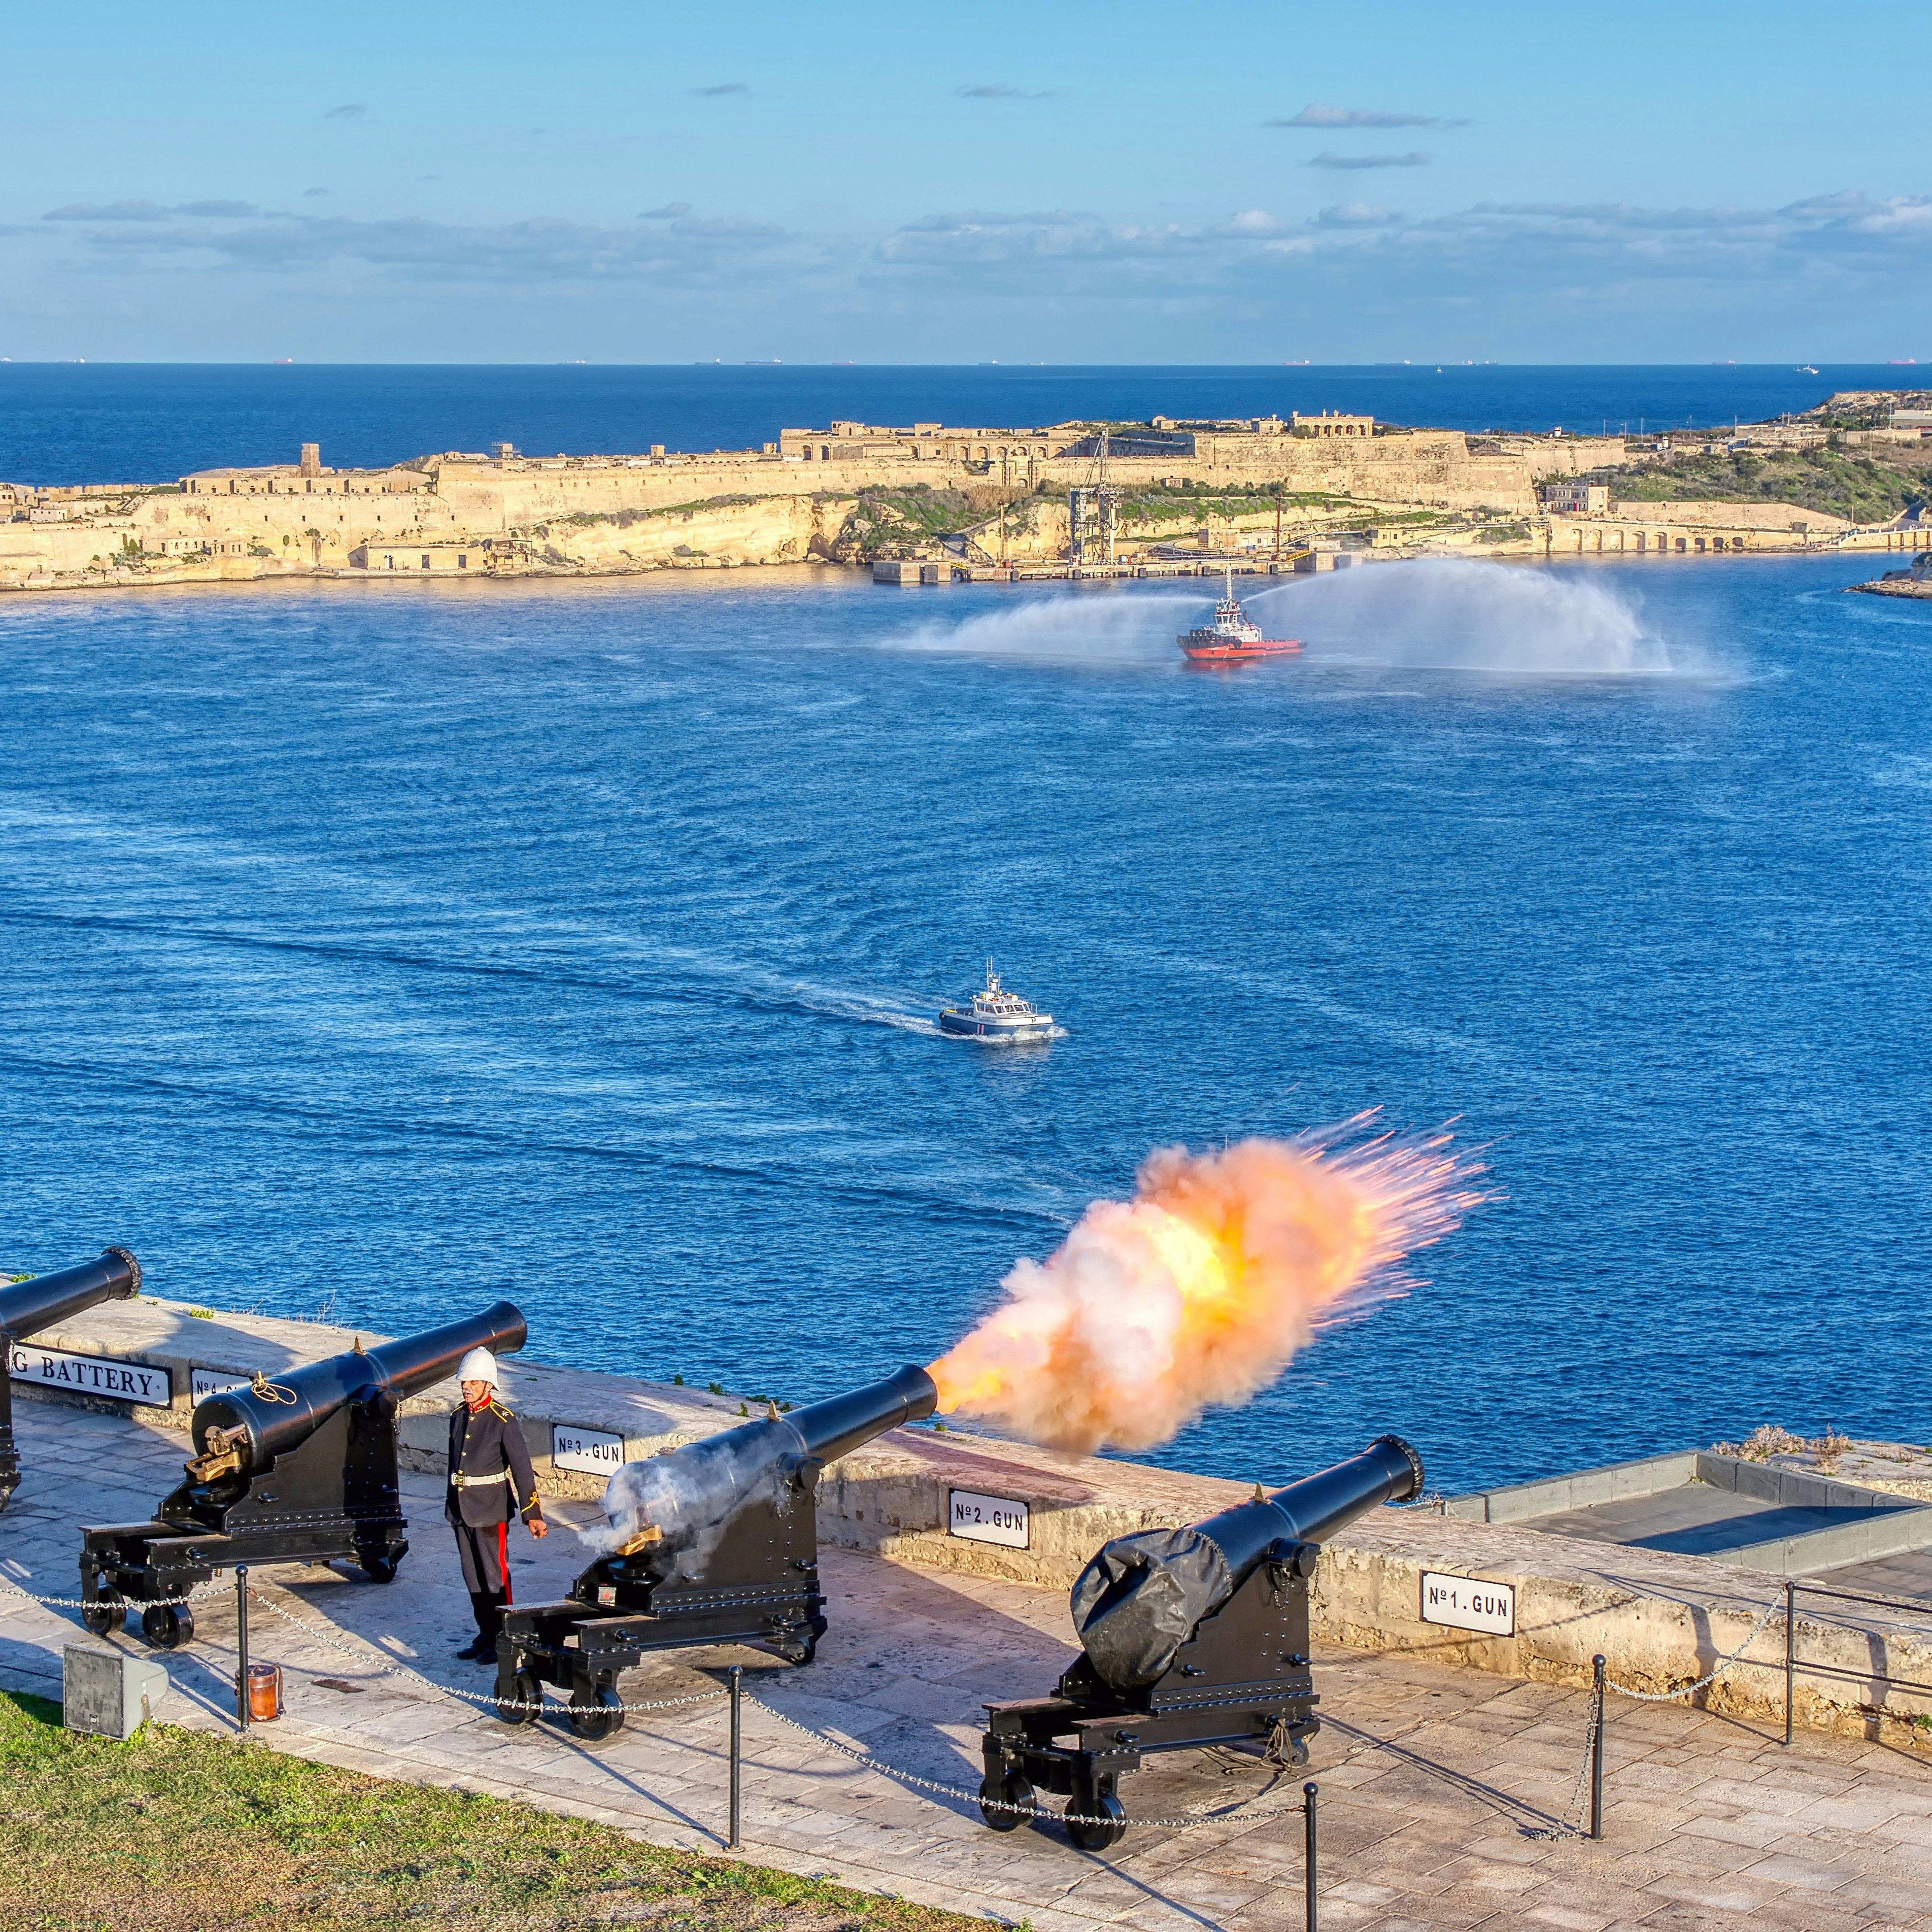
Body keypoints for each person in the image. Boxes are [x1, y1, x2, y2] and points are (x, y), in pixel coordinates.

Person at [446, 1346, 547, 1662]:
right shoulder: (457, 1416)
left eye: (474, 1382)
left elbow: (521, 1468)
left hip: (490, 1509)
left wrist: (533, 1514)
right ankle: (486, 1633)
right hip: (461, 1508)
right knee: (472, 1575)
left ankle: (506, 1639)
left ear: (489, 1385)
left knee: (495, 1576)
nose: (467, 1387)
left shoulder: (503, 1420)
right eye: (465, 1382)